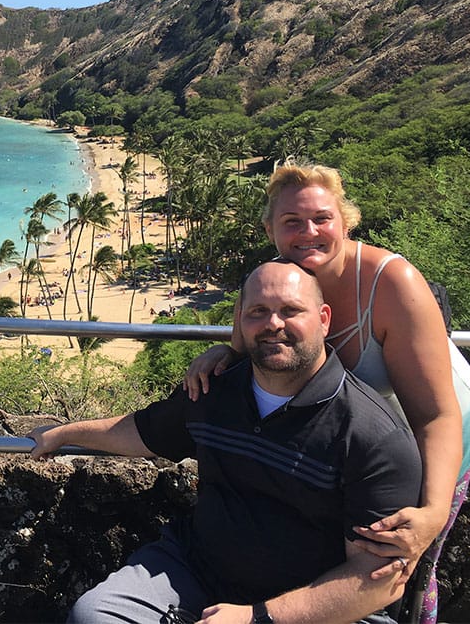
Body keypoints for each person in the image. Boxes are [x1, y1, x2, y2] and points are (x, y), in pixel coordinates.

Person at [30, 260, 422, 624]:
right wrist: (64, 433)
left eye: (290, 311)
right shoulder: (216, 391)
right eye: (257, 312)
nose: (273, 323)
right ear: (240, 321)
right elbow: (144, 431)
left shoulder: (372, 434)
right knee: (95, 616)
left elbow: (375, 580)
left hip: (314, 607)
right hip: (198, 571)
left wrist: (257, 616)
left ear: (323, 320)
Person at [183, 161, 470, 623]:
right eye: (292, 222)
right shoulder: (273, 276)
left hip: (435, 425)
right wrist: (220, 357)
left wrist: (433, 511)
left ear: (346, 222)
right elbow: (249, 348)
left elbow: (436, 415)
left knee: (406, 569)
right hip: (365, 436)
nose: (309, 232)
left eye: (322, 219)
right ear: (271, 230)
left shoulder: (392, 283)